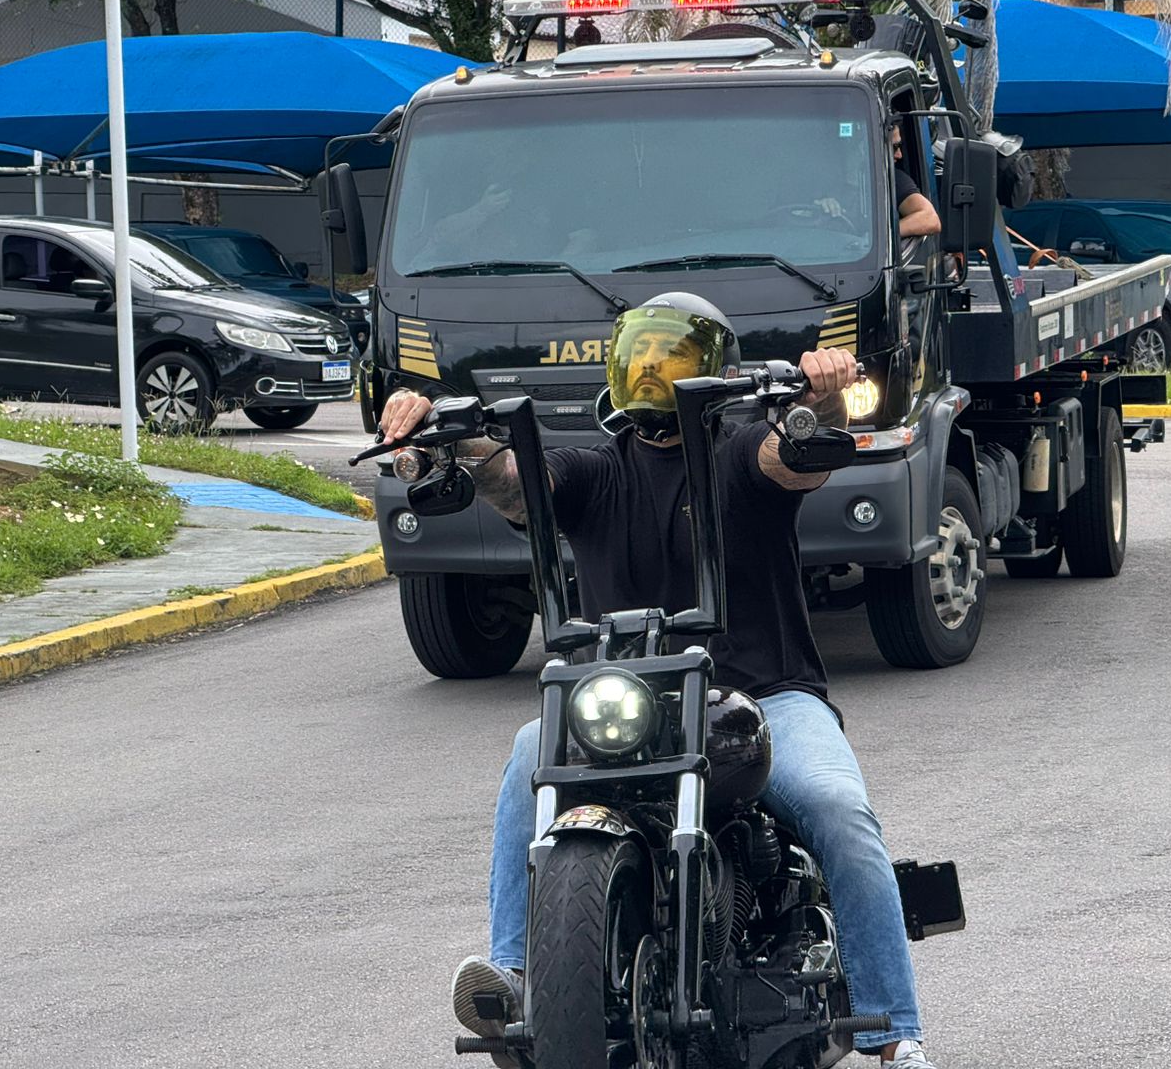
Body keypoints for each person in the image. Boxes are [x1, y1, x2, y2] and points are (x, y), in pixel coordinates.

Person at [378, 293, 940, 1069]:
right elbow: (517, 482)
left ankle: (894, 1031)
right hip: (629, 703)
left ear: (713, 371)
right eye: (641, 356)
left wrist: (826, 390)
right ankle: (512, 975)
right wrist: (459, 431)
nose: (654, 373)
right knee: (525, 758)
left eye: (672, 359)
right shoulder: (594, 472)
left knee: (839, 810)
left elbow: (789, 457)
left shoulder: (741, 454)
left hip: (767, 696)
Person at [816, 123, 941, 238]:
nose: (899, 155)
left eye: (900, 146)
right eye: (895, 147)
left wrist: (880, 238)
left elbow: (930, 218)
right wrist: (821, 207)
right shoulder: (820, 178)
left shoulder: (892, 179)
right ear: (865, 147)